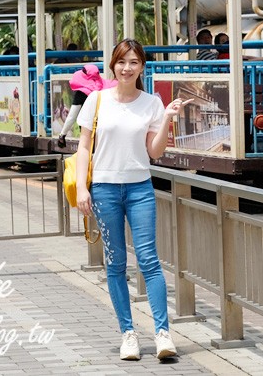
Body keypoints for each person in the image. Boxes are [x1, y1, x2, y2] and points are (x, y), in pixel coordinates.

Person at [74, 39, 193, 361]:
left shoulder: (151, 103)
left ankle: (162, 334)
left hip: (140, 188)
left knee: (149, 261)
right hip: (104, 189)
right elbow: (84, 146)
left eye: (134, 62)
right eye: (122, 61)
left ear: (142, 67)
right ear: (112, 65)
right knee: (115, 265)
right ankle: (128, 334)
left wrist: (167, 117)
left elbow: (154, 152)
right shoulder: (96, 100)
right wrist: (83, 189)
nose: (127, 68)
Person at [56, 64, 117, 147]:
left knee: (88, 154)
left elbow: (71, 117)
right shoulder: (108, 88)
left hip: (88, 131)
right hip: (109, 130)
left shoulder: (82, 93)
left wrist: (62, 134)